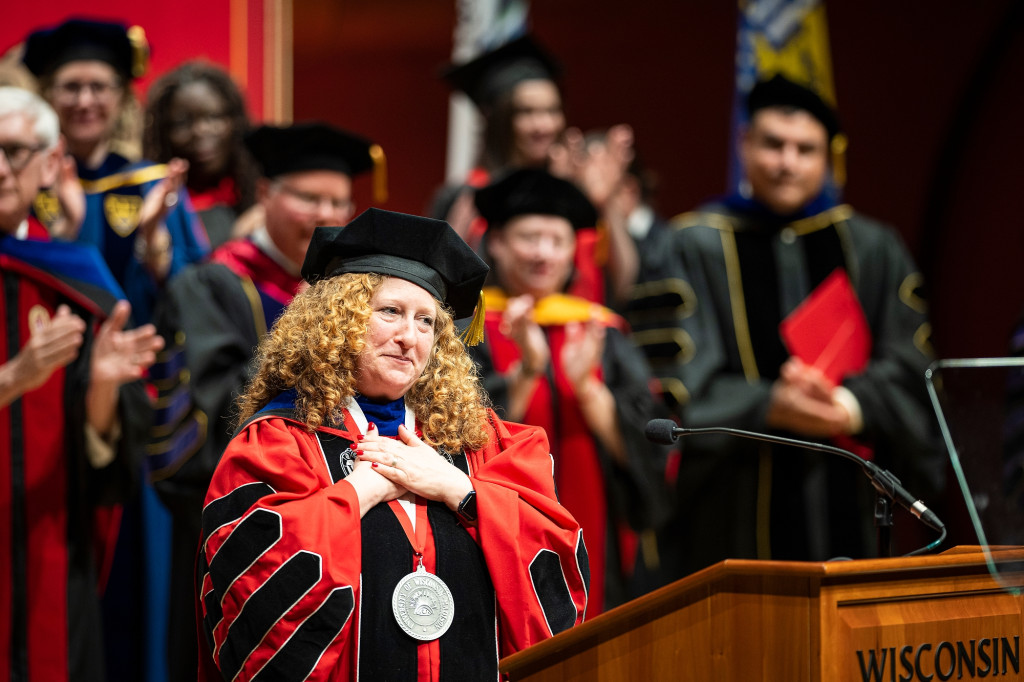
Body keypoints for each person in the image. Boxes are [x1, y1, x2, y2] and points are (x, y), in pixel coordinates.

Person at [196, 207, 589, 680]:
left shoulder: (482, 443)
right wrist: (359, 493)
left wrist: (460, 490)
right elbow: (252, 586)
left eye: (427, 322)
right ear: (338, 320)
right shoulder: (281, 440)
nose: (409, 337)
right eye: (390, 312)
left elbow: (558, 567)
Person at [634, 74, 943, 579]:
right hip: (729, 510)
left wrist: (849, 406)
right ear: (745, 144)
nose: (787, 162)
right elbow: (670, 383)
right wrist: (767, 405)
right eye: (773, 144)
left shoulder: (872, 248)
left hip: (849, 495)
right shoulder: (691, 244)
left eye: (805, 149)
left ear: (829, 156)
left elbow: (912, 367)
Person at [146, 121, 378, 681]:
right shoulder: (212, 286)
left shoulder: (365, 297)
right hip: (240, 523)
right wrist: (302, 330)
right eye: (308, 197)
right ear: (266, 194)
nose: (327, 215)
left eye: (340, 201)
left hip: (344, 526)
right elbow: (211, 414)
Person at [0, 85, 163, 682]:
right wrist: (16, 378)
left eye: (14, 150)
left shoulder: (76, 280)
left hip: (51, 544)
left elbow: (104, 459)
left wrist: (101, 391)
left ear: (50, 163)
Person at [468, 167, 670, 614]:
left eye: (557, 242)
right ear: (497, 242)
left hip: (597, 535)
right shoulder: (468, 328)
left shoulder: (604, 331)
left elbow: (652, 450)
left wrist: (590, 392)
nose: (544, 254)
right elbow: (457, 442)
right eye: (529, 238)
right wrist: (527, 372)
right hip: (498, 529)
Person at [20, 17, 210, 324]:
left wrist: (151, 237)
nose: (84, 101)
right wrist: (64, 231)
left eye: (98, 87)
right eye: (71, 87)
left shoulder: (153, 185)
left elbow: (192, 295)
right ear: (48, 95)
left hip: (142, 362)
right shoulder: (23, 182)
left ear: (121, 96)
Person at [435, 35, 637, 307]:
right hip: (488, 343)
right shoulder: (467, 196)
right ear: (498, 119)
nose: (544, 125)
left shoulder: (575, 194)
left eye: (552, 111)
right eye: (527, 112)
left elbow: (623, 286)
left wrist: (606, 204)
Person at [143, 60, 258, 250]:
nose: (200, 131)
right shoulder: (155, 204)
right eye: (182, 123)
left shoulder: (260, 196)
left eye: (213, 117)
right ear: (162, 133)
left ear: (235, 121)